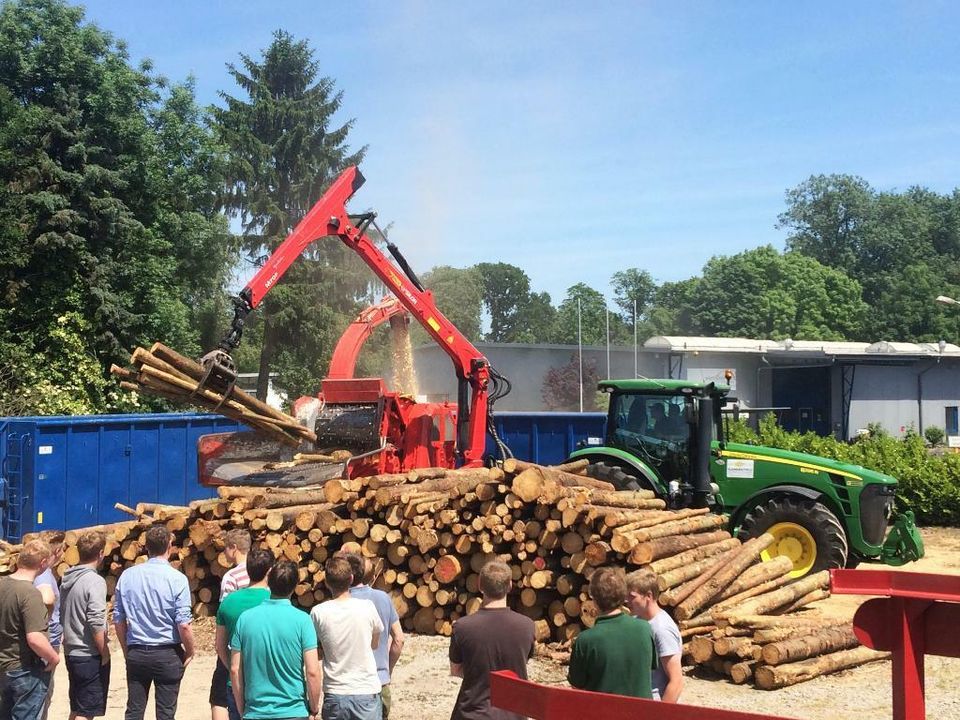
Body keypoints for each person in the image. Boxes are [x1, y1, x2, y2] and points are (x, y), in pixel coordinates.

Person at [113, 524, 194, 720]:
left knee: (134, 711)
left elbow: (118, 619)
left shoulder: (127, 576)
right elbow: (183, 623)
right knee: (165, 713)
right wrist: (191, 650)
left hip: (137, 650)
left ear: (146, 548)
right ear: (169, 546)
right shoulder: (177, 579)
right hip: (167, 652)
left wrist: (126, 649)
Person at [230, 561, 321, 720]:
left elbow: (235, 669)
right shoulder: (303, 621)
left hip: (255, 711)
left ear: (268, 582)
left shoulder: (245, 619)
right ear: (295, 586)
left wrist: (241, 708)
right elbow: (312, 671)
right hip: (294, 711)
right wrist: (313, 708)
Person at [448, 560, 535, 720]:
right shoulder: (527, 626)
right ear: (510, 585)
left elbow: (456, 670)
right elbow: (523, 662)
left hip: (472, 713)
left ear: (480, 585)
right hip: (513, 714)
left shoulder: (461, 627)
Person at [310, 557, 383, 720]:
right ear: (351, 579)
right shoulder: (367, 607)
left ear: (327, 582)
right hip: (365, 690)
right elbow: (375, 643)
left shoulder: (318, 612)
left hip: (335, 692)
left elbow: (314, 649)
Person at [567, 566, 657, 699]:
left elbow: (577, 687)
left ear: (594, 600)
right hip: (642, 713)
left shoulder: (585, 640)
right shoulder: (645, 629)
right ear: (623, 596)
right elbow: (648, 670)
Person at [339, 553, 404, 719]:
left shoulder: (337, 602)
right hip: (378, 681)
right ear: (371, 577)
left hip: (345, 685)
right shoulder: (383, 598)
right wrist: (387, 670)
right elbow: (399, 639)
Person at [0, 539, 60, 720]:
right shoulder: (30, 593)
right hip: (23, 669)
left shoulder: (2, 584)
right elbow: (35, 637)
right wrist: (53, 658)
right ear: (43, 563)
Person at [214, 548, 273, 720]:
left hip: (237, 681)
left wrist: (232, 666)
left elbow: (220, 646)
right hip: (267, 679)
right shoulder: (275, 599)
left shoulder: (228, 602)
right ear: (270, 570)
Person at [60, 531, 111, 720]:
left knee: (77, 707)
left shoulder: (67, 578)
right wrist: (104, 651)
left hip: (71, 651)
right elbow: (96, 620)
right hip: (89, 654)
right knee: (87, 711)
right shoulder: (95, 581)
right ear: (100, 553)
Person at [211, 530, 252, 720]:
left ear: (234, 548)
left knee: (218, 697)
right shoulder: (264, 571)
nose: (225, 555)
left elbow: (225, 613)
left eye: (225, 549)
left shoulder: (231, 577)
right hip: (257, 643)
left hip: (233, 644)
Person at [626, 570, 683, 703]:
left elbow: (676, 682)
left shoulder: (662, 629)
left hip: (655, 703)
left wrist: (661, 714)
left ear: (649, 596)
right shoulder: (637, 620)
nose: (626, 601)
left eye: (632, 596)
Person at [33, 543, 62, 720]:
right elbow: (47, 600)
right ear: (57, 551)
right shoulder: (43, 576)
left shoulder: (45, 574)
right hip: (46, 644)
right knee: (41, 693)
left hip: (48, 640)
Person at [219, 530, 252, 600]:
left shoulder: (231, 577)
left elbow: (226, 607)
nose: (224, 552)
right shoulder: (261, 571)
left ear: (234, 548)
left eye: (226, 548)